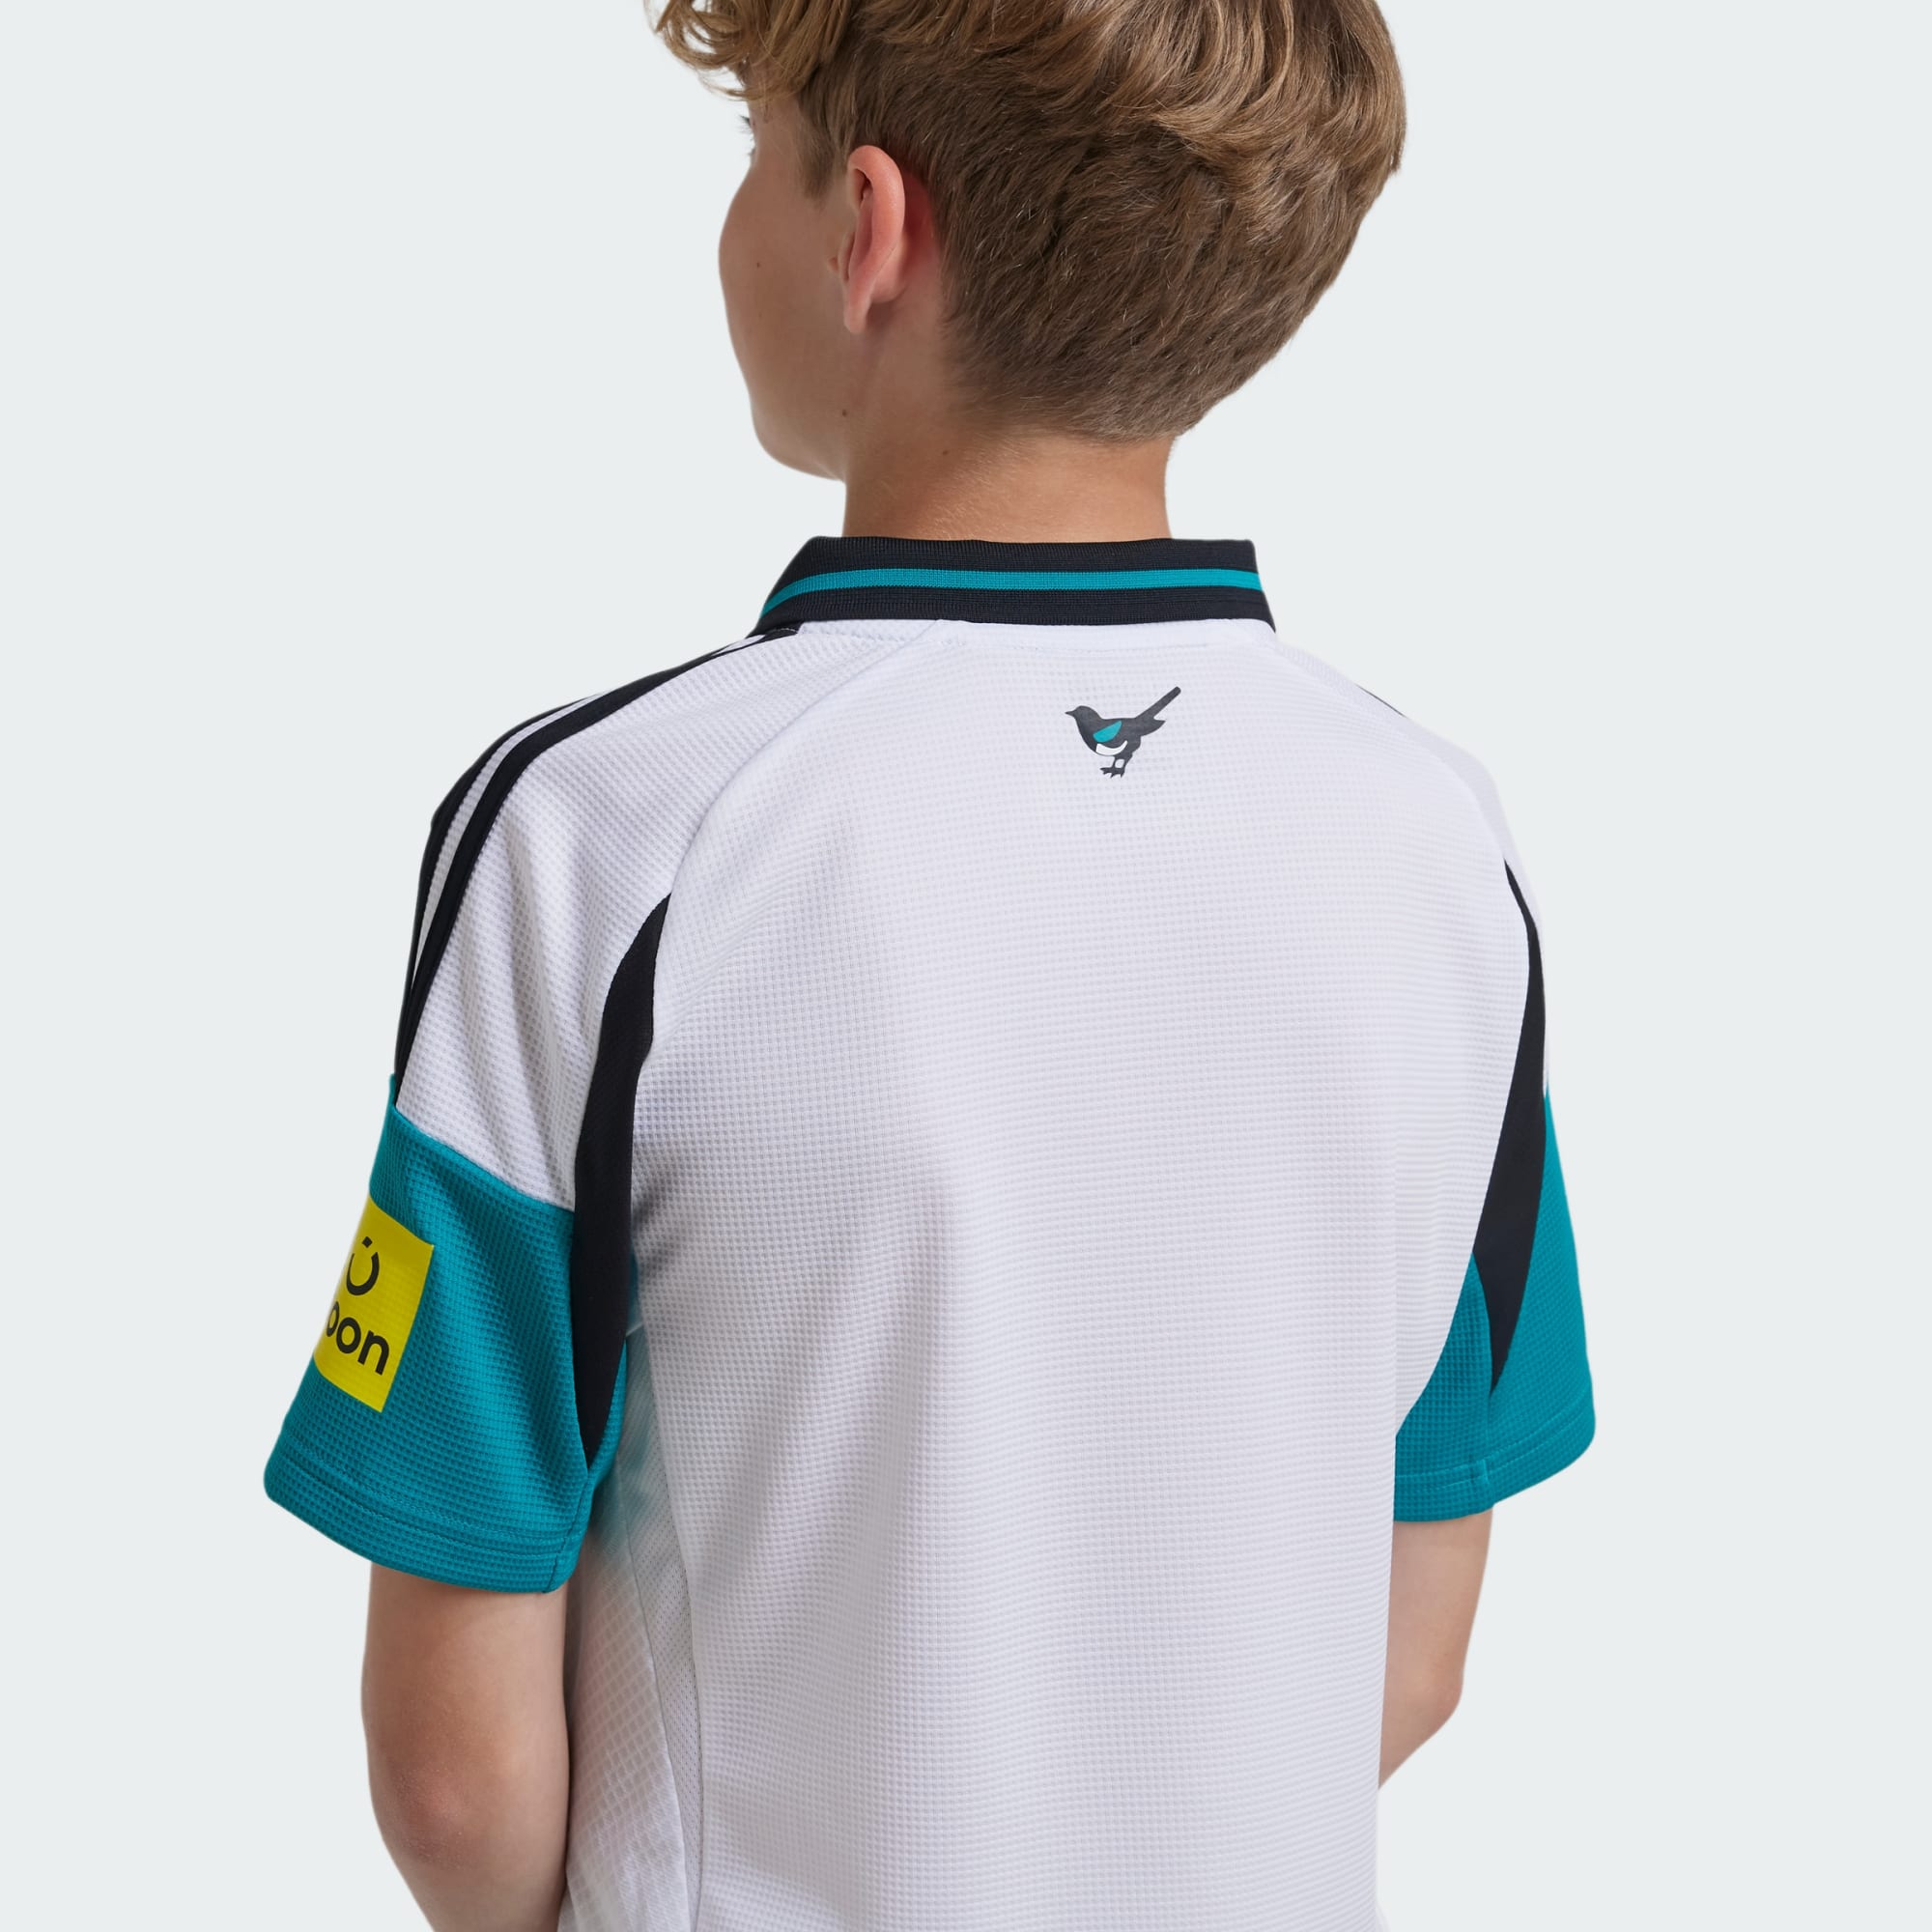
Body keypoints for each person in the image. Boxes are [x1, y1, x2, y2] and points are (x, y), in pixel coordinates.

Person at [263, 3, 1594, 1926]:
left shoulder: (602, 831)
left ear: (867, 227)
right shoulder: (1438, 847)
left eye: (762, 152)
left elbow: (457, 1779)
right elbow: (1408, 1650)